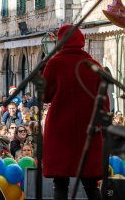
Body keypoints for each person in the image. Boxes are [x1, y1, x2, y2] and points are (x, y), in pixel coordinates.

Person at [42, 24, 109, 200]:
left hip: (59, 130)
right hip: (88, 130)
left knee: (60, 183)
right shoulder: (95, 66)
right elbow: (104, 104)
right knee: (90, 183)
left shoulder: (54, 63)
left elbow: (45, 96)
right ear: (82, 41)